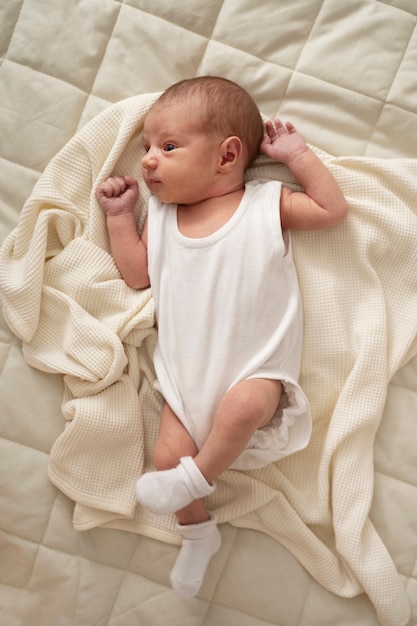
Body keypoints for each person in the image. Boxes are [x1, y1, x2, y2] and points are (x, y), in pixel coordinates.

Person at [96, 76, 348, 599]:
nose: (146, 161)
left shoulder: (265, 204)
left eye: (166, 147)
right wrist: (121, 217)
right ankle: (197, 533)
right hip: (186, 380)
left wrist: (297, 156)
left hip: (257, 371)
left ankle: (197, 479)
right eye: (145, 148)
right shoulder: (162, 216)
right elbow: (139, 274)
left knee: (236, 413)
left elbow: (331, 211)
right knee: (166, 457)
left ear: (228, 155)